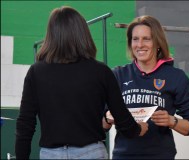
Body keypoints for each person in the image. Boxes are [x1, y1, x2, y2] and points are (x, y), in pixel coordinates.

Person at [15, 6, 148, 160]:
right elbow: (122, 118)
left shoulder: (36, 72)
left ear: (51, 34)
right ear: (83, 33)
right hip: (91, 152)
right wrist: (138, 129)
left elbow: (25, 123)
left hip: (51, 154)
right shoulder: (101, 71)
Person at [103, 15, 189, 159]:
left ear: (157, 43)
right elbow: (99, 126)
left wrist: (171, 121)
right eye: (135, 39)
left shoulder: (176, 77)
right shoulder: (118, 75)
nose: (140, 44)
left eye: (146, 39)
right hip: (123, 156)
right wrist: (107, 118)